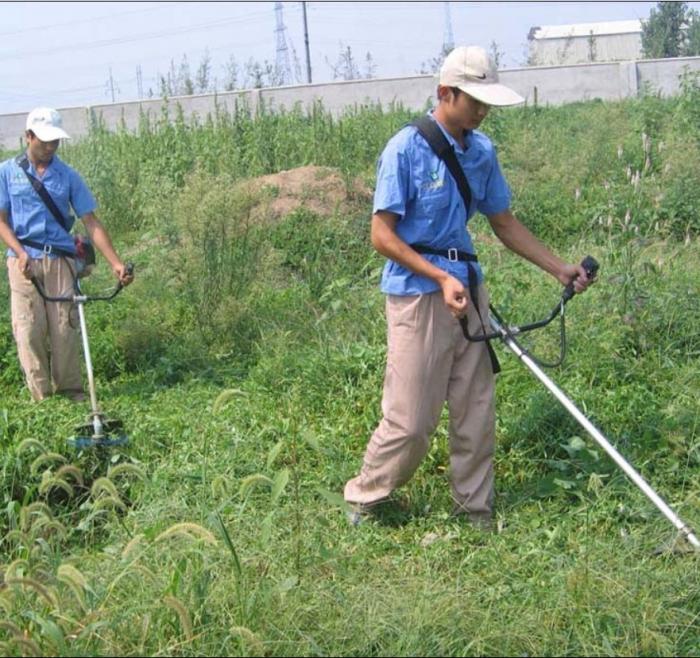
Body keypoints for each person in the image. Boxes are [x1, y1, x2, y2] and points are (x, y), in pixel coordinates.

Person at [343, 46, 593, 528]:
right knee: (411, 419)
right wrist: (438, 277)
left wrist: (558, 268)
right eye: (473, 100)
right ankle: (365, 497)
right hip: (420, 295)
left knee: (475, 411)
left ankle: (474, 510)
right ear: (445, 93)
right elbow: (381, 234)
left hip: (468, 290)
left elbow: (503, 222)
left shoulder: (482, 152)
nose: (482, 110)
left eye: (487, 102)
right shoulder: (405, 149)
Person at [0, 107, 133, 402]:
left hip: (62, 259)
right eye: (44, 141)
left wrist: (116, 263)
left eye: (55, 142)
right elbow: (1, 219)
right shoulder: (7, 173)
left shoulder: (68, 176)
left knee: (64, 329)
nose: (50, 147)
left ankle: (71, 393)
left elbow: (91, 221)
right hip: (24, 262)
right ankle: (42, 400)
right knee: (28, 329)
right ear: (28, 136)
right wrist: (20, 253)